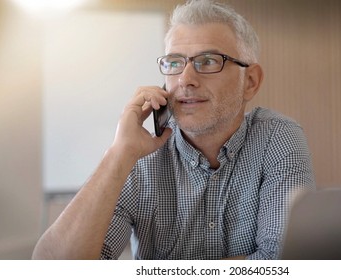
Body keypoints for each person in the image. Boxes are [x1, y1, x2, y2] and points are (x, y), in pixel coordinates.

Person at [32, 0, 315, 260]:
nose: (185, 79)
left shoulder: (276, 138)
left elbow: (285, 262)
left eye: (208, 61)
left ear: (250, 82)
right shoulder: (138, 157)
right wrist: (118, 155)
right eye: (175, 62)